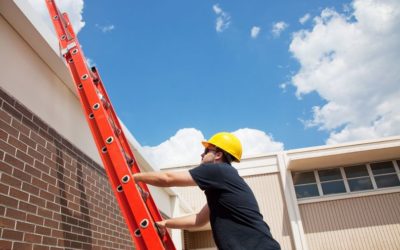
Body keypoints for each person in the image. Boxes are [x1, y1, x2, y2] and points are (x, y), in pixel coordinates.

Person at [133, 132, 281, 250]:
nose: (202, 155)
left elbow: (167, 178)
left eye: (206, 151)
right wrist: (166, 223)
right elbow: (198, 220)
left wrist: (133, 176)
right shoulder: (223, 186)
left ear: (218, 155)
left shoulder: (218, 170)